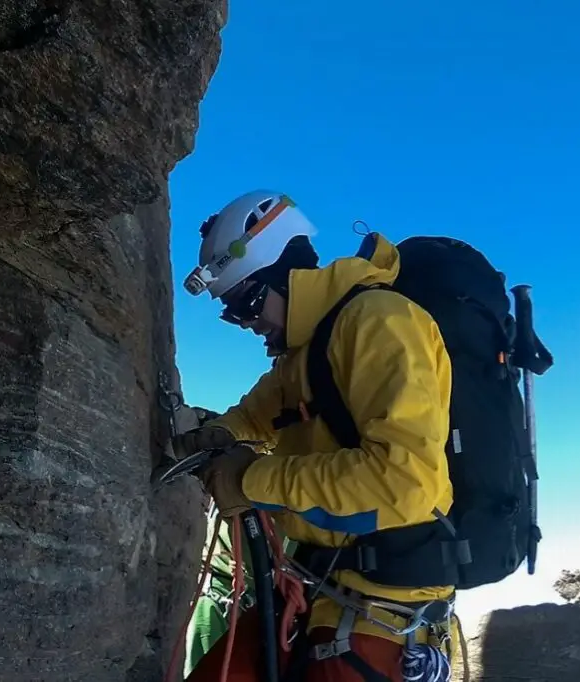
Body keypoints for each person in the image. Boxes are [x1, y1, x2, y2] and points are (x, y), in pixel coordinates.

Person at [174, 190, 456, 681]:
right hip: (315, 595)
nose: (245, 324)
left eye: (245, 303)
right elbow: (253, 417)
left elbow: (404, 482)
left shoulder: (380, 323)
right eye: (232, 313)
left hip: (381, 616)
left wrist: (251, 481)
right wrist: (213, 436)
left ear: (275, 276)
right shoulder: (301, 357)